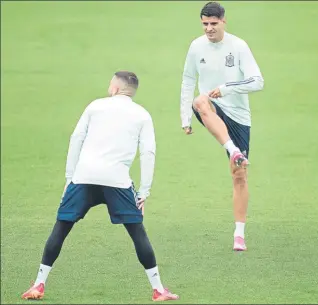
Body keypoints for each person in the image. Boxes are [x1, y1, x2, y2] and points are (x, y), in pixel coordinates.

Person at [21, 71, 179, 301]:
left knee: (61, 227)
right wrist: (144, 192)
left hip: (83, 176)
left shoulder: (95, 106)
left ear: (115, 88)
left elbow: (76, 139)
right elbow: (148, 153)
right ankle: (158, 289)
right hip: (118, 180)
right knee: (137, 233)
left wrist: (69, 178)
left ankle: (38, 284)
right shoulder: (142, 115)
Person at [180, 1, 264, 251]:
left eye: (213, 23)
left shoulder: (238, 46)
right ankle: (232, 148)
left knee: (239, 174)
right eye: (205, 24)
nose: (208, 28)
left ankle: (239, 234)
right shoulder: (196, 47)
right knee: (200, 100)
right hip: (210, 110)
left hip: (237, 114)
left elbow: (258, 81)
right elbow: (187, 80)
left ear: (223, 21)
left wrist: (227, 89)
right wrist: (185, 116)